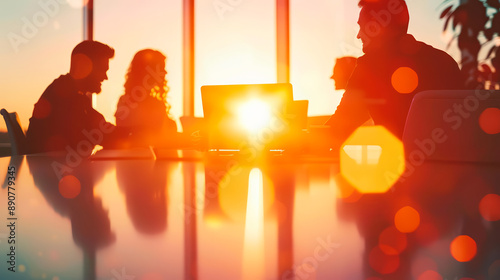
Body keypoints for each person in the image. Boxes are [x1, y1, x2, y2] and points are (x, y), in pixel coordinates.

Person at [324, 0, 463, 146]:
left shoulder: (369, 67)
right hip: (456, 165)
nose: (358, 35)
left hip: (399, 166)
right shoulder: (444, 61)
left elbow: (338, 129)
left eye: (362, 26)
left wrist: (303, 138)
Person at [26, 40, 127, 154]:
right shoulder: (65, 96)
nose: (105, 77)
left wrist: (134, 133)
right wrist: (136, 136)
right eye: (102, 70)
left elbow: (101, 128)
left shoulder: (72, 92)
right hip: (51, 170)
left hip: (51, 168)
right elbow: (98, 134)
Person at [114, 49, 178, 147]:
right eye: (161, 68)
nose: (165, 72)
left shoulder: (154, 102)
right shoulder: (127, 104)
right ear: (148, 71)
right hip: (140, 159)